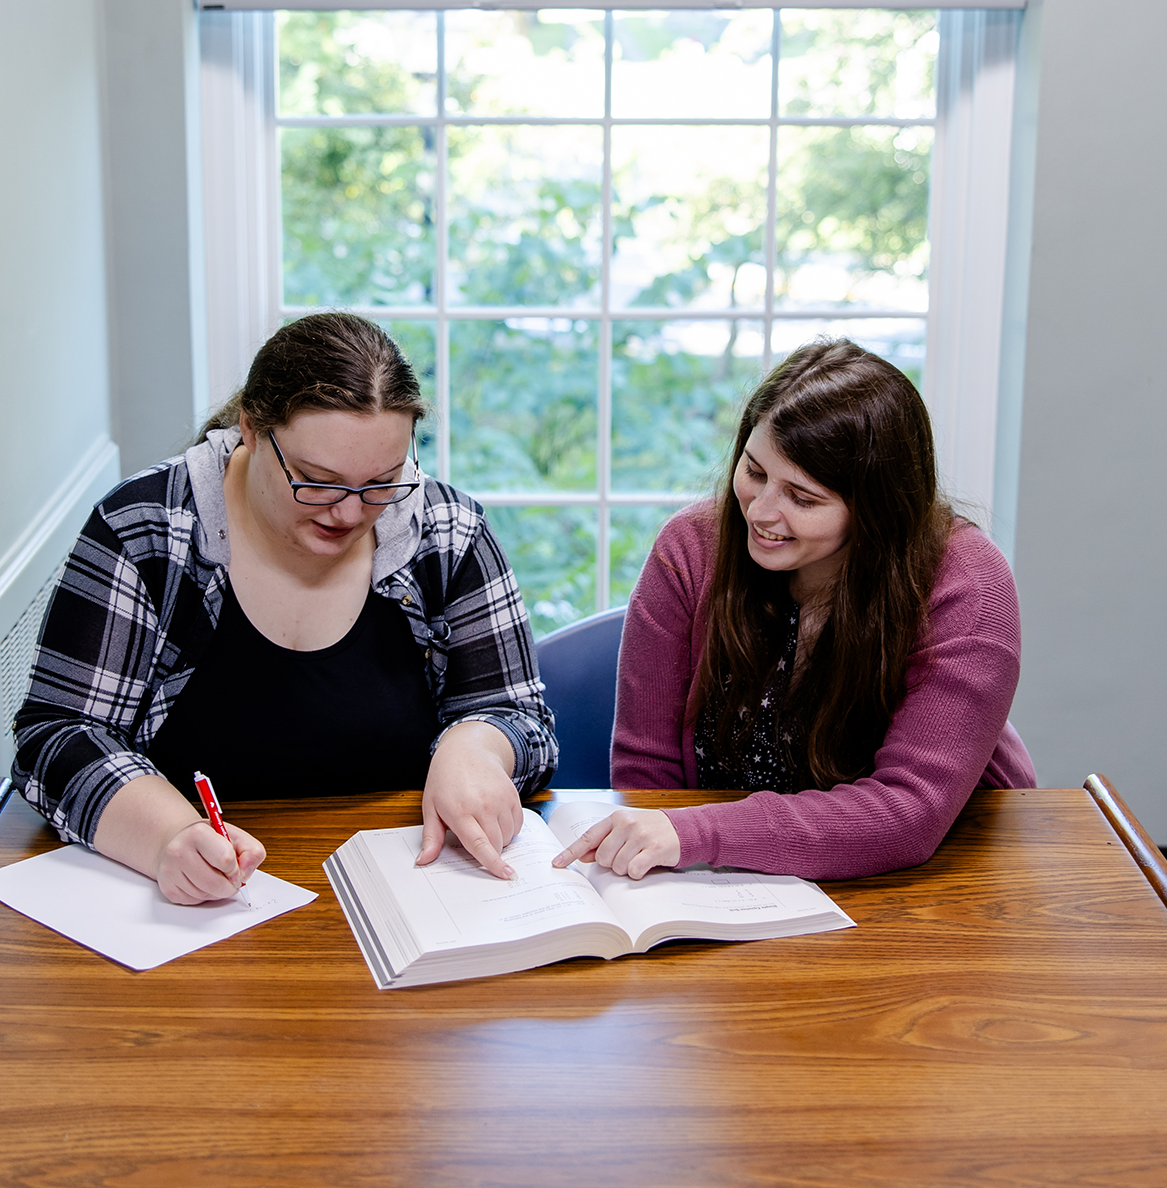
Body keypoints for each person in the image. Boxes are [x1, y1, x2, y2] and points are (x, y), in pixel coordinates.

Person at [13, 312, 556, 904]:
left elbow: (523, 721)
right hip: (199, 906)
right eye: (316, 480)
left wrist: (475, 747)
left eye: (382, 482)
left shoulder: (446, 532)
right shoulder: (147, 529)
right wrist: (169, 834)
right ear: (249, 428)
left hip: (414, 896)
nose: (348, 513)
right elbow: (56, 736)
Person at [553, 339, 1035, 882]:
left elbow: (909, 812)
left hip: (936, 875)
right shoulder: (690, 548)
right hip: (725, 877)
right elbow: (650, 778)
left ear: (879, 509)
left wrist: (698, 833)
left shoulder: (968, 584)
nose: (759, 513)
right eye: (754, 471)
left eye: (802, 499)